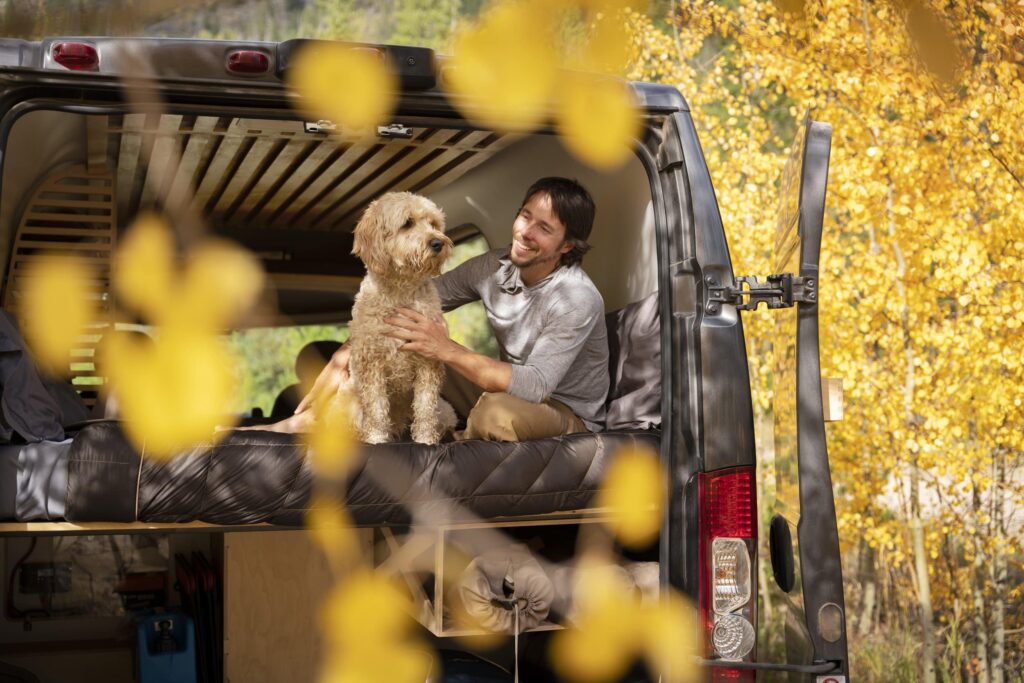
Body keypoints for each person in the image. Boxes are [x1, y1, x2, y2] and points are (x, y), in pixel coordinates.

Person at [288, 176, 609, 442]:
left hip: (563, 411)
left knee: (495, 412)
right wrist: (346, 353)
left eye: (544, 228)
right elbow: (411, 298)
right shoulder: (492, 267)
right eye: (525, 216)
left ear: (567, 246)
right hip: (510, 387)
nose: (525, 232)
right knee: (397, 357)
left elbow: (536, 386)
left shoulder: (576, 298)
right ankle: (306, 424)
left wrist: (445, 348)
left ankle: (450, 453)